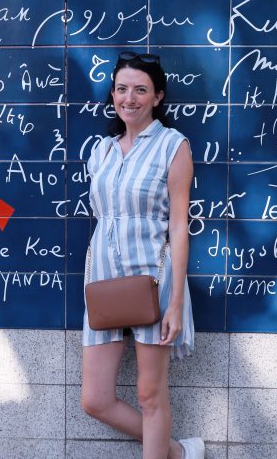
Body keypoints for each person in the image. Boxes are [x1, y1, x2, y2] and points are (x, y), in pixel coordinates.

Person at [80, 51, 203, 459]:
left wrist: (176, 302)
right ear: (112, 94)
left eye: (140, 90)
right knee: (95, 399)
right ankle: (179, 453)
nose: (129, 98)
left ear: (157, 97)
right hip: (103, 284)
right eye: (121, 88)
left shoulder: (173, 146)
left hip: (154, 280)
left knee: (151, 395)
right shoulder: (101, 151)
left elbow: (179, 225)